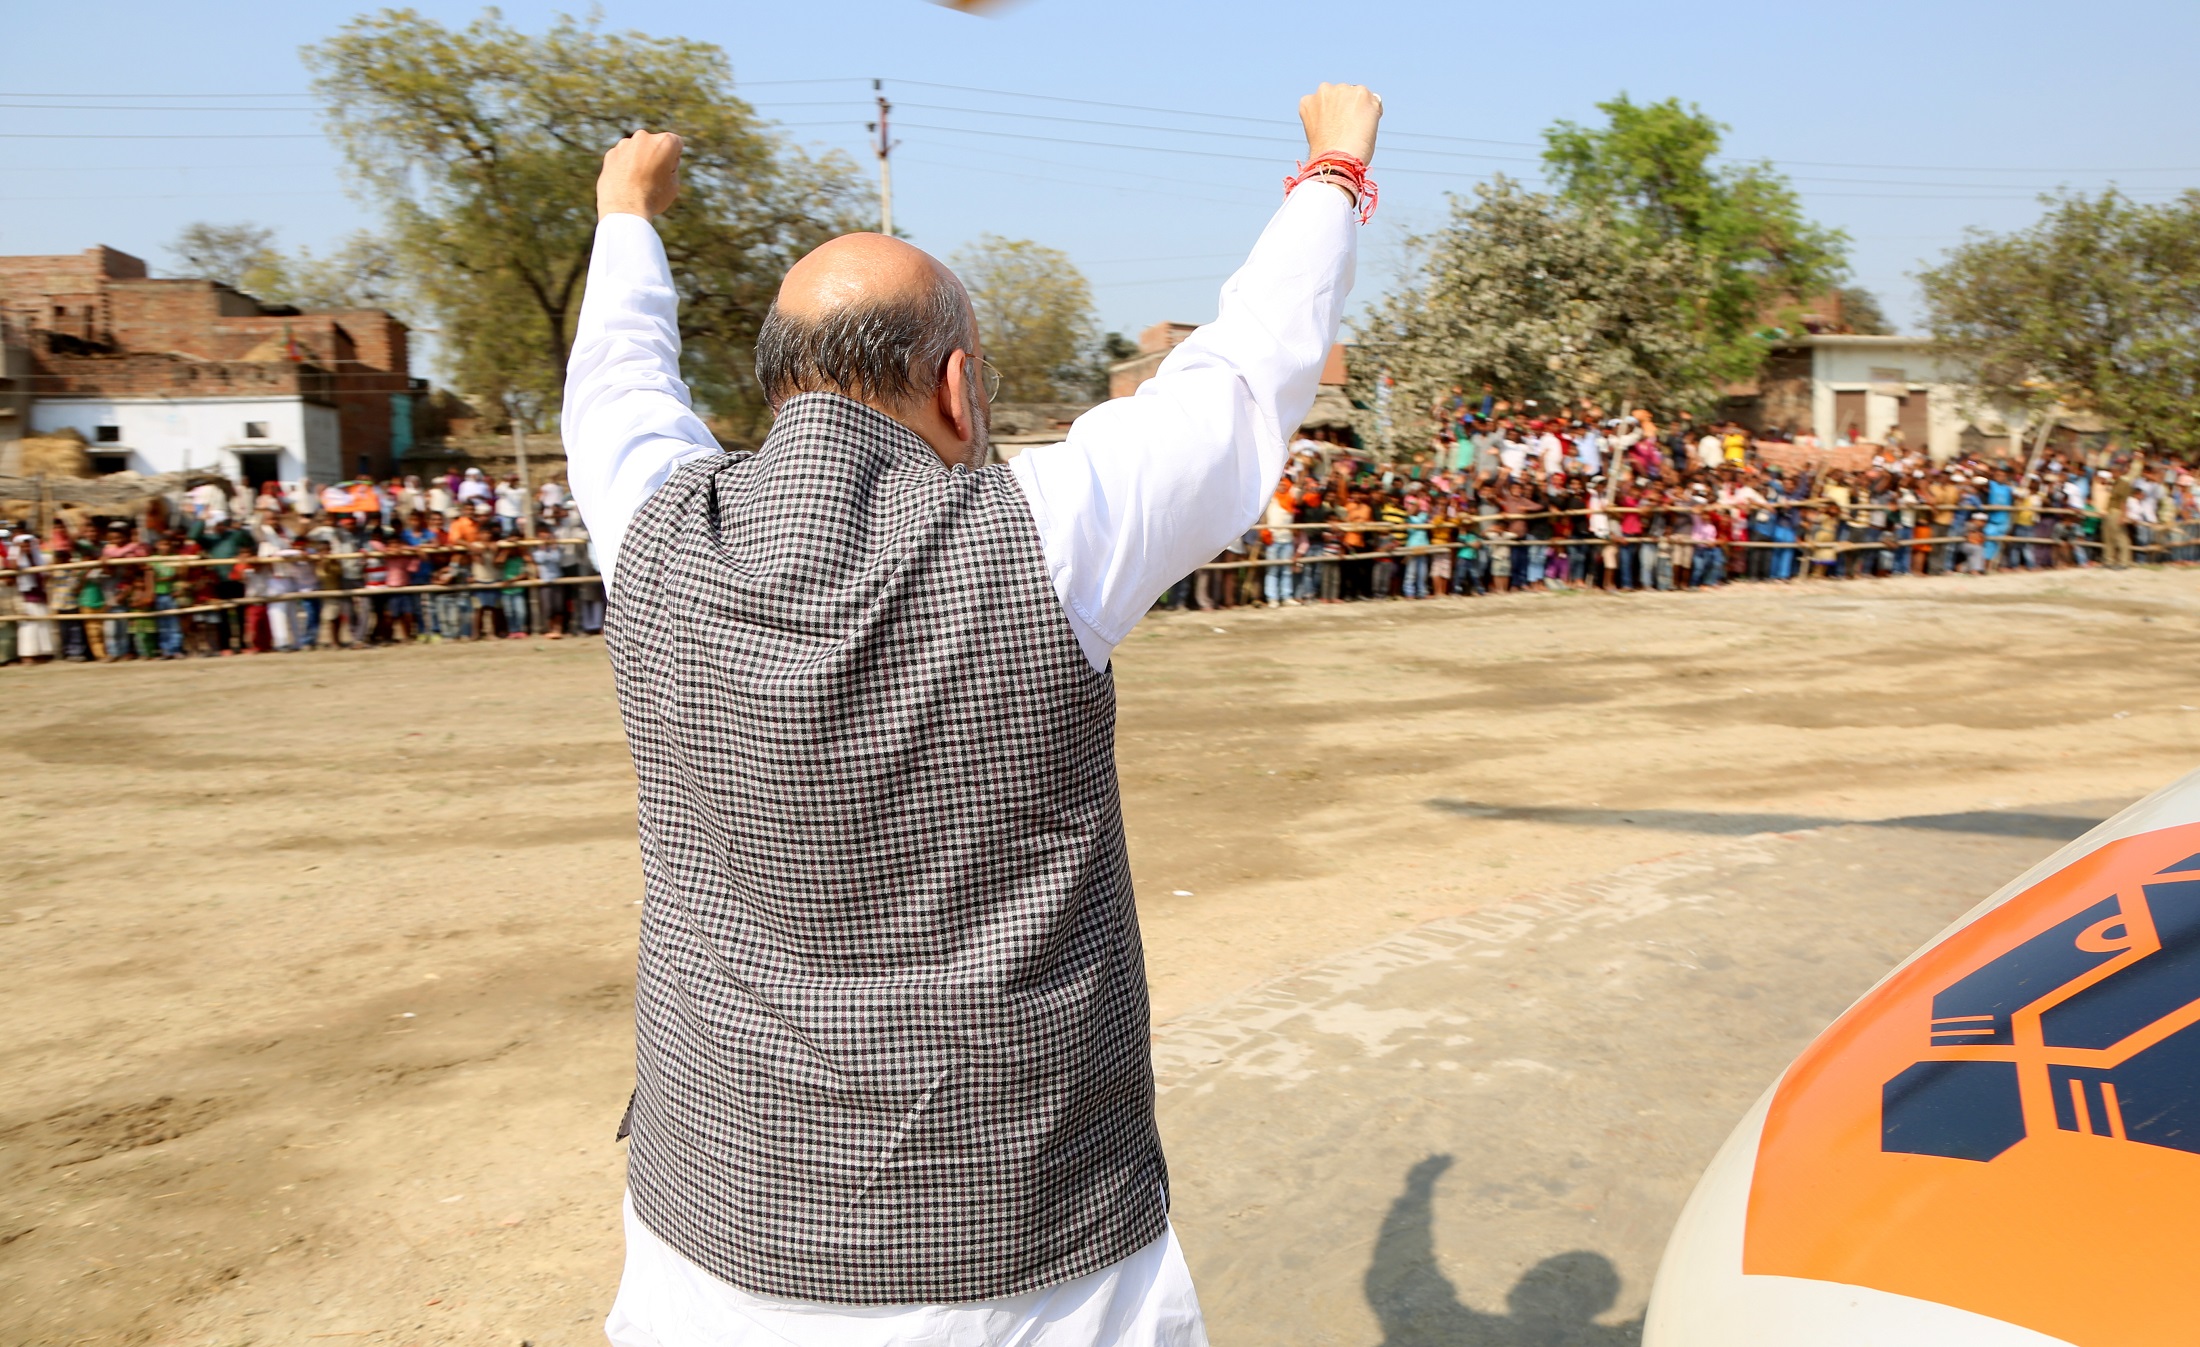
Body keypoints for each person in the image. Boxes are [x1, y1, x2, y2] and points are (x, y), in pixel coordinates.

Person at [565, 85, 1380, 1347]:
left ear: (775, 387)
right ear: (959, 385)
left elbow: (616, 380)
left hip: (713, 1236)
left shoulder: (651, 526)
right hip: (1022, 1256)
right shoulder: (1046, 536)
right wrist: (1331, 170)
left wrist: (626, 212)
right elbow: (1238, 379)